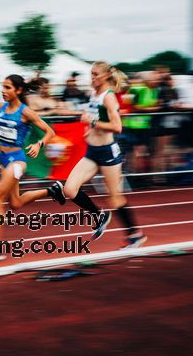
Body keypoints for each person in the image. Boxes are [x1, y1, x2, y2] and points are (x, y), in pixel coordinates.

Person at [48, 62, 147, 249]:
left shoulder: (109, 97)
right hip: (92, 152)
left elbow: (117, 127)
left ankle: (135, 234)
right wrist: (88, 128)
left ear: (105, 76)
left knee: (115, 197)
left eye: (95, 74)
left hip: (108, 153)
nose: (92, 78)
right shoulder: (94, 94)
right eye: (90, 74)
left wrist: (92, 122)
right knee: (70, 189)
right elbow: (91, 118)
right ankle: (99, 215)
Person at [0, 74, 56, 262]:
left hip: (17, 161)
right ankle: (51, 191)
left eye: (7, 87)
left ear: (18, 90)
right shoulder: (0, 106)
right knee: (16, 203)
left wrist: (38, 145)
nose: (3, 91)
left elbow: (50, 132)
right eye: (2, 87)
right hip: (3, 158)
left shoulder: (25, 111)